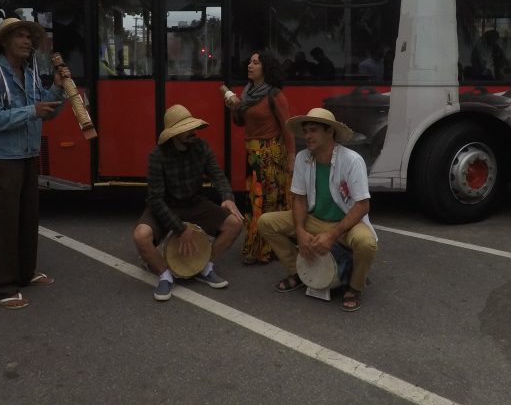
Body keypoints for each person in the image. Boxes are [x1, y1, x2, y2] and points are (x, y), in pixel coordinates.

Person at [0, 17, 71, 310]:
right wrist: (31, 111)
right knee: (5, 224)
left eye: (29, 37)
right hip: (2, 159)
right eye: (20, 37)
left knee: (28, 218)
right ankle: (3, 289)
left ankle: (26, 274)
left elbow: (44, 111)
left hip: (28, 154)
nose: (28, 42)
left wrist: (57, 88)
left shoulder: (29, 74)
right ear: (4, 42)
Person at [257, 107, 378, 312]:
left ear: (329, 131)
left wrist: (332, 234)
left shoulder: (351, 160)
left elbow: (362, 205)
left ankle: (355, 287)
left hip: (345, 224)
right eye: (305, 131)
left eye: (313, 130)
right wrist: (301, 230)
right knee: (266, 222)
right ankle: (299, 272)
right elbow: (299, 199)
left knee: (367, 243)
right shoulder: (304, 158)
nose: (307, 136)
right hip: (315, 219)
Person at [133, 104, 244, 302]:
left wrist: (227, 197)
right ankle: (165, 274)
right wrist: (180, 229)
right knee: (141, 236)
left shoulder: (201, 147)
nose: (192, 132)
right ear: (174, 134)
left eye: (192, 127)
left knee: (235, 223)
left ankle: (204, 266)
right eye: (186, 129)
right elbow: (155, 200)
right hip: (166, 205)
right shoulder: (156, 156)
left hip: (194, 202)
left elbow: (217, 175)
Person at [224, 51, 295, 264]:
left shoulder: (274, 95)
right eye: (250, 61)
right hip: (253, 154)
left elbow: (287, 128)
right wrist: (233, 110)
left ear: (266, 68)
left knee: (263, 202)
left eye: (256, 62)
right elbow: (241, 123)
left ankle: (261, 249)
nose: (250, 65)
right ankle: (263, 245)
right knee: (254, 201)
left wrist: (292, 157)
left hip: (271, 155)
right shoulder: (247, 93)